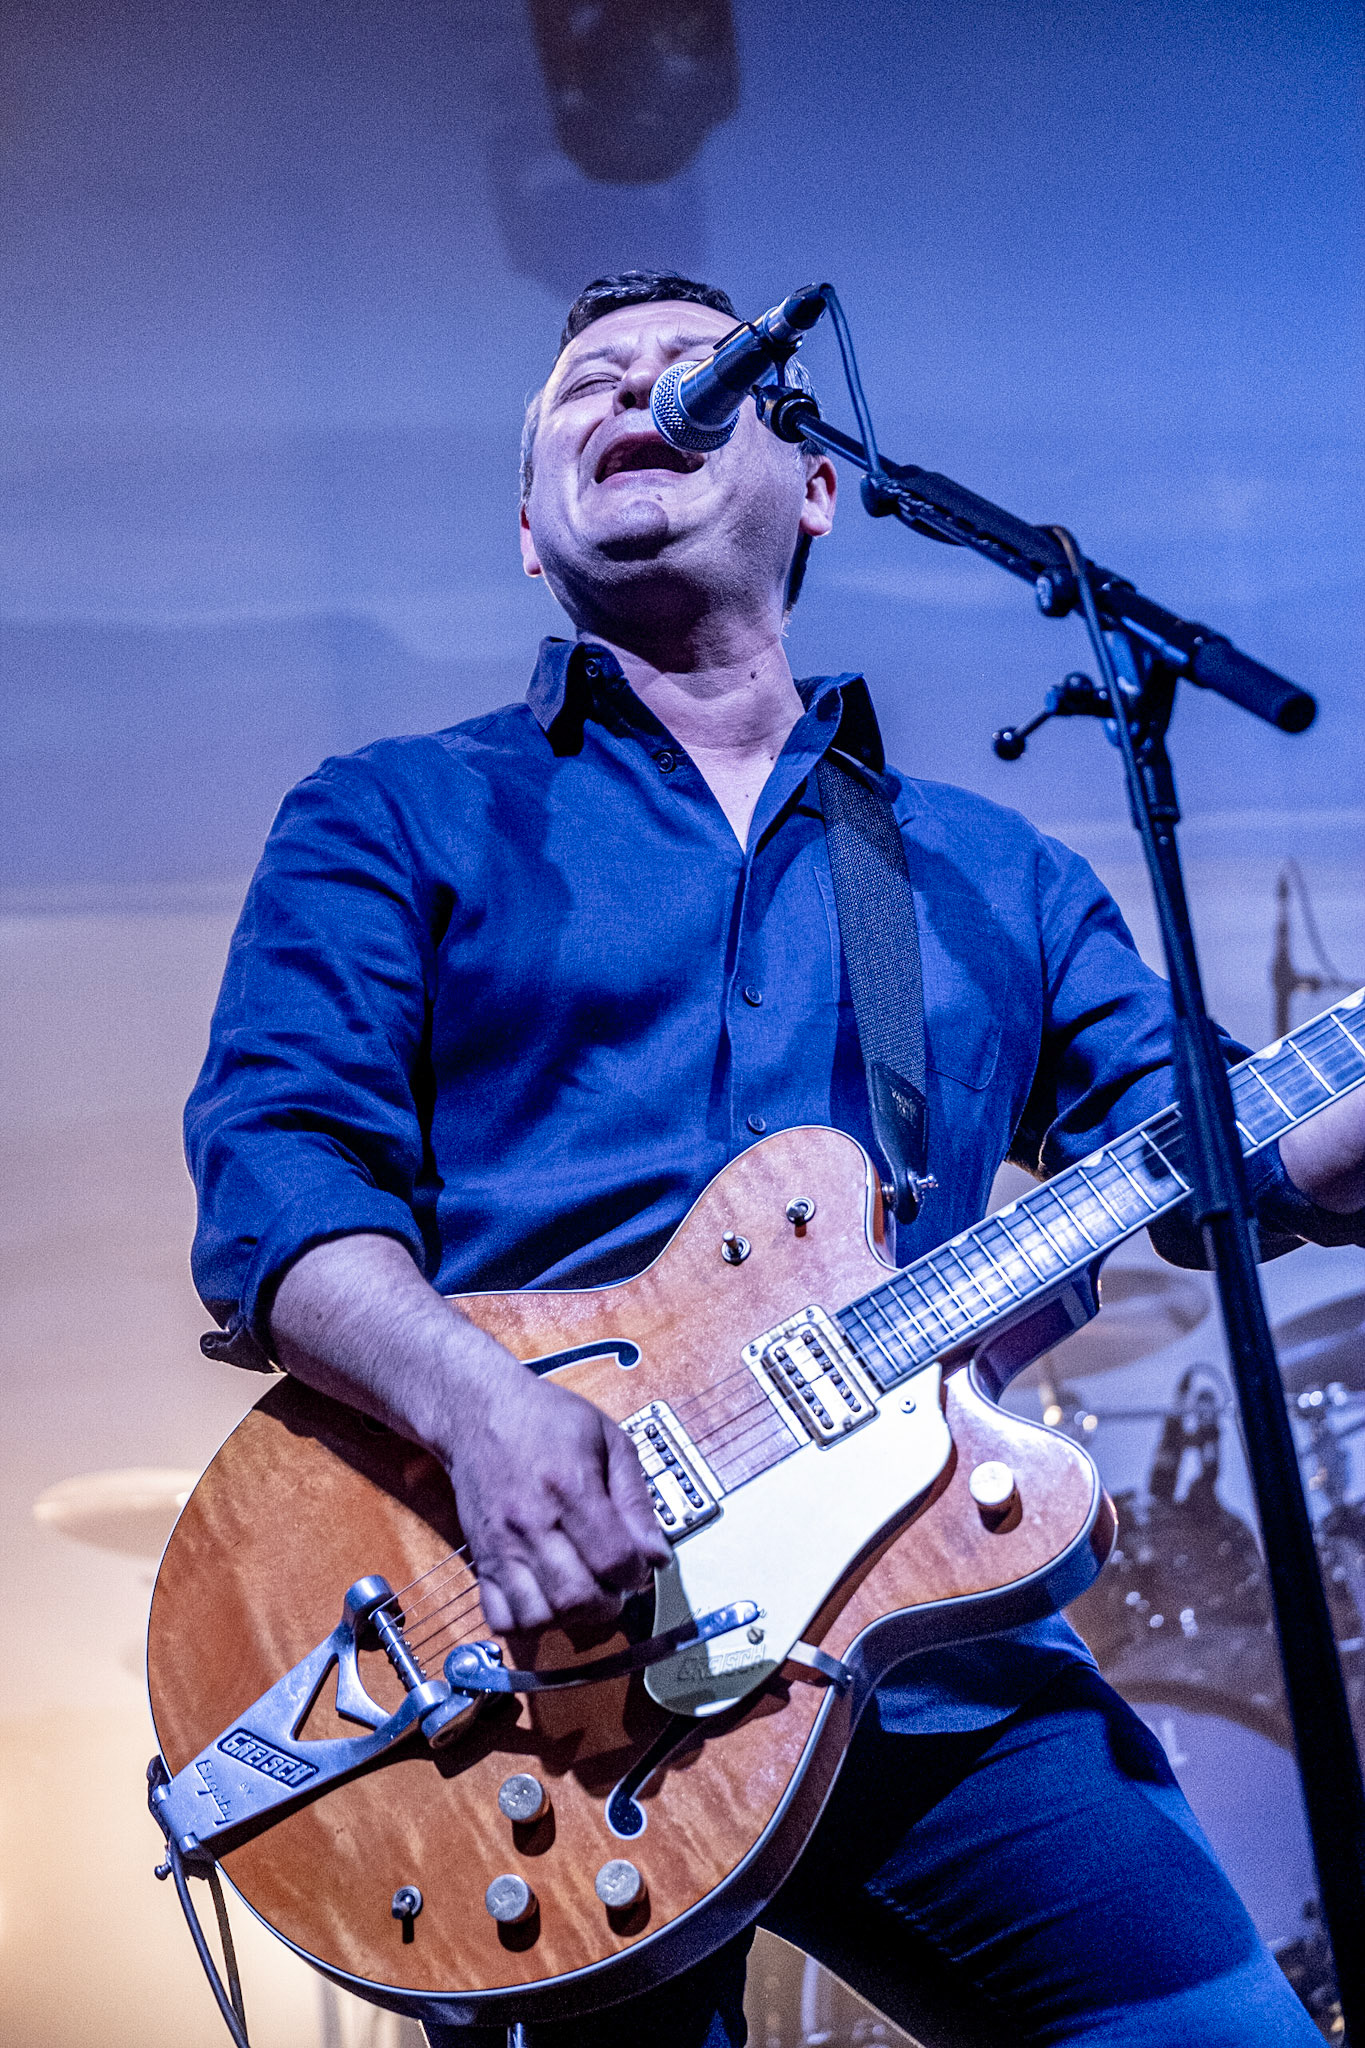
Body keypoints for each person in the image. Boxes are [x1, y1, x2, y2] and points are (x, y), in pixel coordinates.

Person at [186, 271, 1364, 2047]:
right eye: (584, 385)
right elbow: (280, 1193)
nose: (632, 397)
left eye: (686, 369)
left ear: (811, 480)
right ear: (529, 526)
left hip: (928, 1640)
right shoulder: (395, 813)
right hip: (535, 1655)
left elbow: (1240, 1161)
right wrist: (481, 1413)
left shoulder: (988, 877)